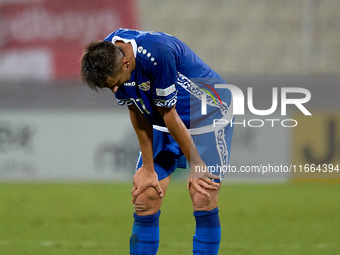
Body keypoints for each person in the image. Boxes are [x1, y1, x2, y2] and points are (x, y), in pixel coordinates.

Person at [80, 28, 234, 255]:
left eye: (114, 83)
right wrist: (148, 168)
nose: (114, 89)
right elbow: (136, 107)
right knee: (145, 196)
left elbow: (170, 113)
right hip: (163, 118)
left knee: (203, 194)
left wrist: (197, 164)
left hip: (207, 115)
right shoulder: (106, 56)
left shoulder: (157, 53)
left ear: (125, 63)